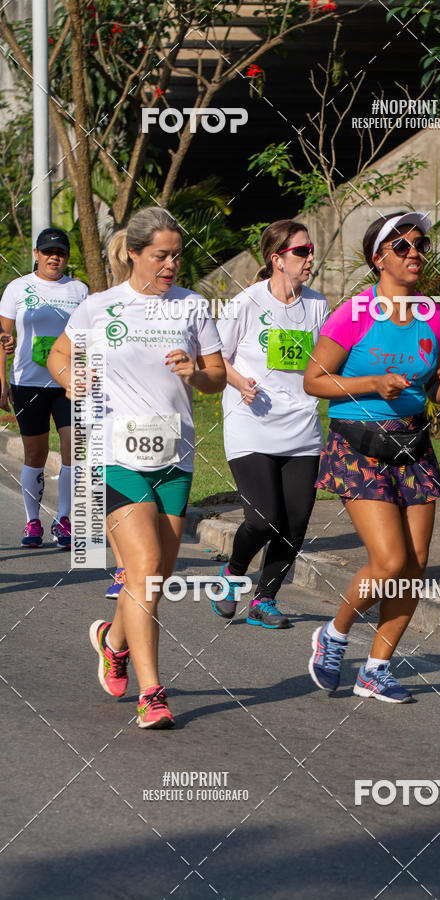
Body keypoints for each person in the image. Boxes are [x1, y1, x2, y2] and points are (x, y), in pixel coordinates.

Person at [47, 207, 226, 729]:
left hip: (174, 455)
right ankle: (153, 694)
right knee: (145, 566)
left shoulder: (192, 307)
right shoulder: (99, 308)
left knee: (157, 574)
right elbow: (60, 354)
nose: (171, 264)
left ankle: (112, 640)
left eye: (177, 255)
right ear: (133, 253)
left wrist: (197, 372)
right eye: (160, 255)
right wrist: (69, 378)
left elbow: (216, 375)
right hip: (112, 453)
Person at [304, 211, 440, 703]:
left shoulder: (435, 316)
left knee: (414, 565)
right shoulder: (354, 314)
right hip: (358, 444)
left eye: (420, 246)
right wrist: (372, 383)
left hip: (412, 443)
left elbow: (429, 390)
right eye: (402, 247)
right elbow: (314, 381)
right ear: (378, 259)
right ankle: (333, 633)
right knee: (389, 561)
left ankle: (376, 668)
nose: (414, 253)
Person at [213, 220, 329, 628]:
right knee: (263, 519)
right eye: (302, 251)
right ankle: (233, 573)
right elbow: (213, 357)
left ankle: (265, 599)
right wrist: (237, 380)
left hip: (301, 428)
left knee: (295, 523)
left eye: (310, 249)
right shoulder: (246, 303)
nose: (309, 257)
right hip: (251, 424)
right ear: (277, 259)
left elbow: (324, 362)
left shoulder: (317, 305)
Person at [0, 227, 88, 549]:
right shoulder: (17, 288)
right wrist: (1, 384)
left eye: (61, 253)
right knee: (35, 454)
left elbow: (88, 335)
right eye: (48, 252)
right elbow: (2, 338)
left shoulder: (80, 290)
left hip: (67, 383)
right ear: (36, 254)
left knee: (72, 451)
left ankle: (64, 520)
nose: (55, 258)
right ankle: (32, 521)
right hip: (27, 382)